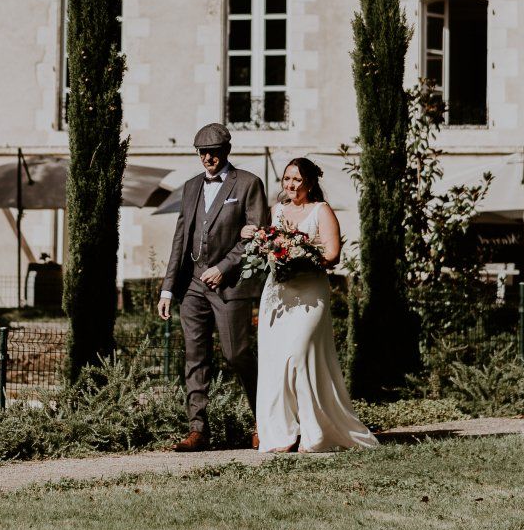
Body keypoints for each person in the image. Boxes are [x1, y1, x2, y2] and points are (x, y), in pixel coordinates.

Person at [250, 157, 378, 453]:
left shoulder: (321, 211)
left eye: (296, 179)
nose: (291, 185)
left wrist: (301, 257)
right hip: (278, 293)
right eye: (286, 179)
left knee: (300, 354)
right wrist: (267, 249)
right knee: (274, 360)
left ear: (309, 182)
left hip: (310, 293)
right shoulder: (276, 212)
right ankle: (281, 434)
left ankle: (317, 432)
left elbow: (332, 254)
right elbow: (266, 248)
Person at [159, 122, 268, 451]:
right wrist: (167, 289)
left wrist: (224, 267)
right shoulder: (191, 187)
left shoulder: (248, 183)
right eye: (202, 152)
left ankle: (264, 420)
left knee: (237, 355)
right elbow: (181, 238)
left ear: (227, 151)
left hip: (230, 285)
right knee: (195, 356)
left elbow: (258, 234)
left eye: (214, 152)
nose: (208, 158)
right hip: (193, 284)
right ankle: (198, 430)